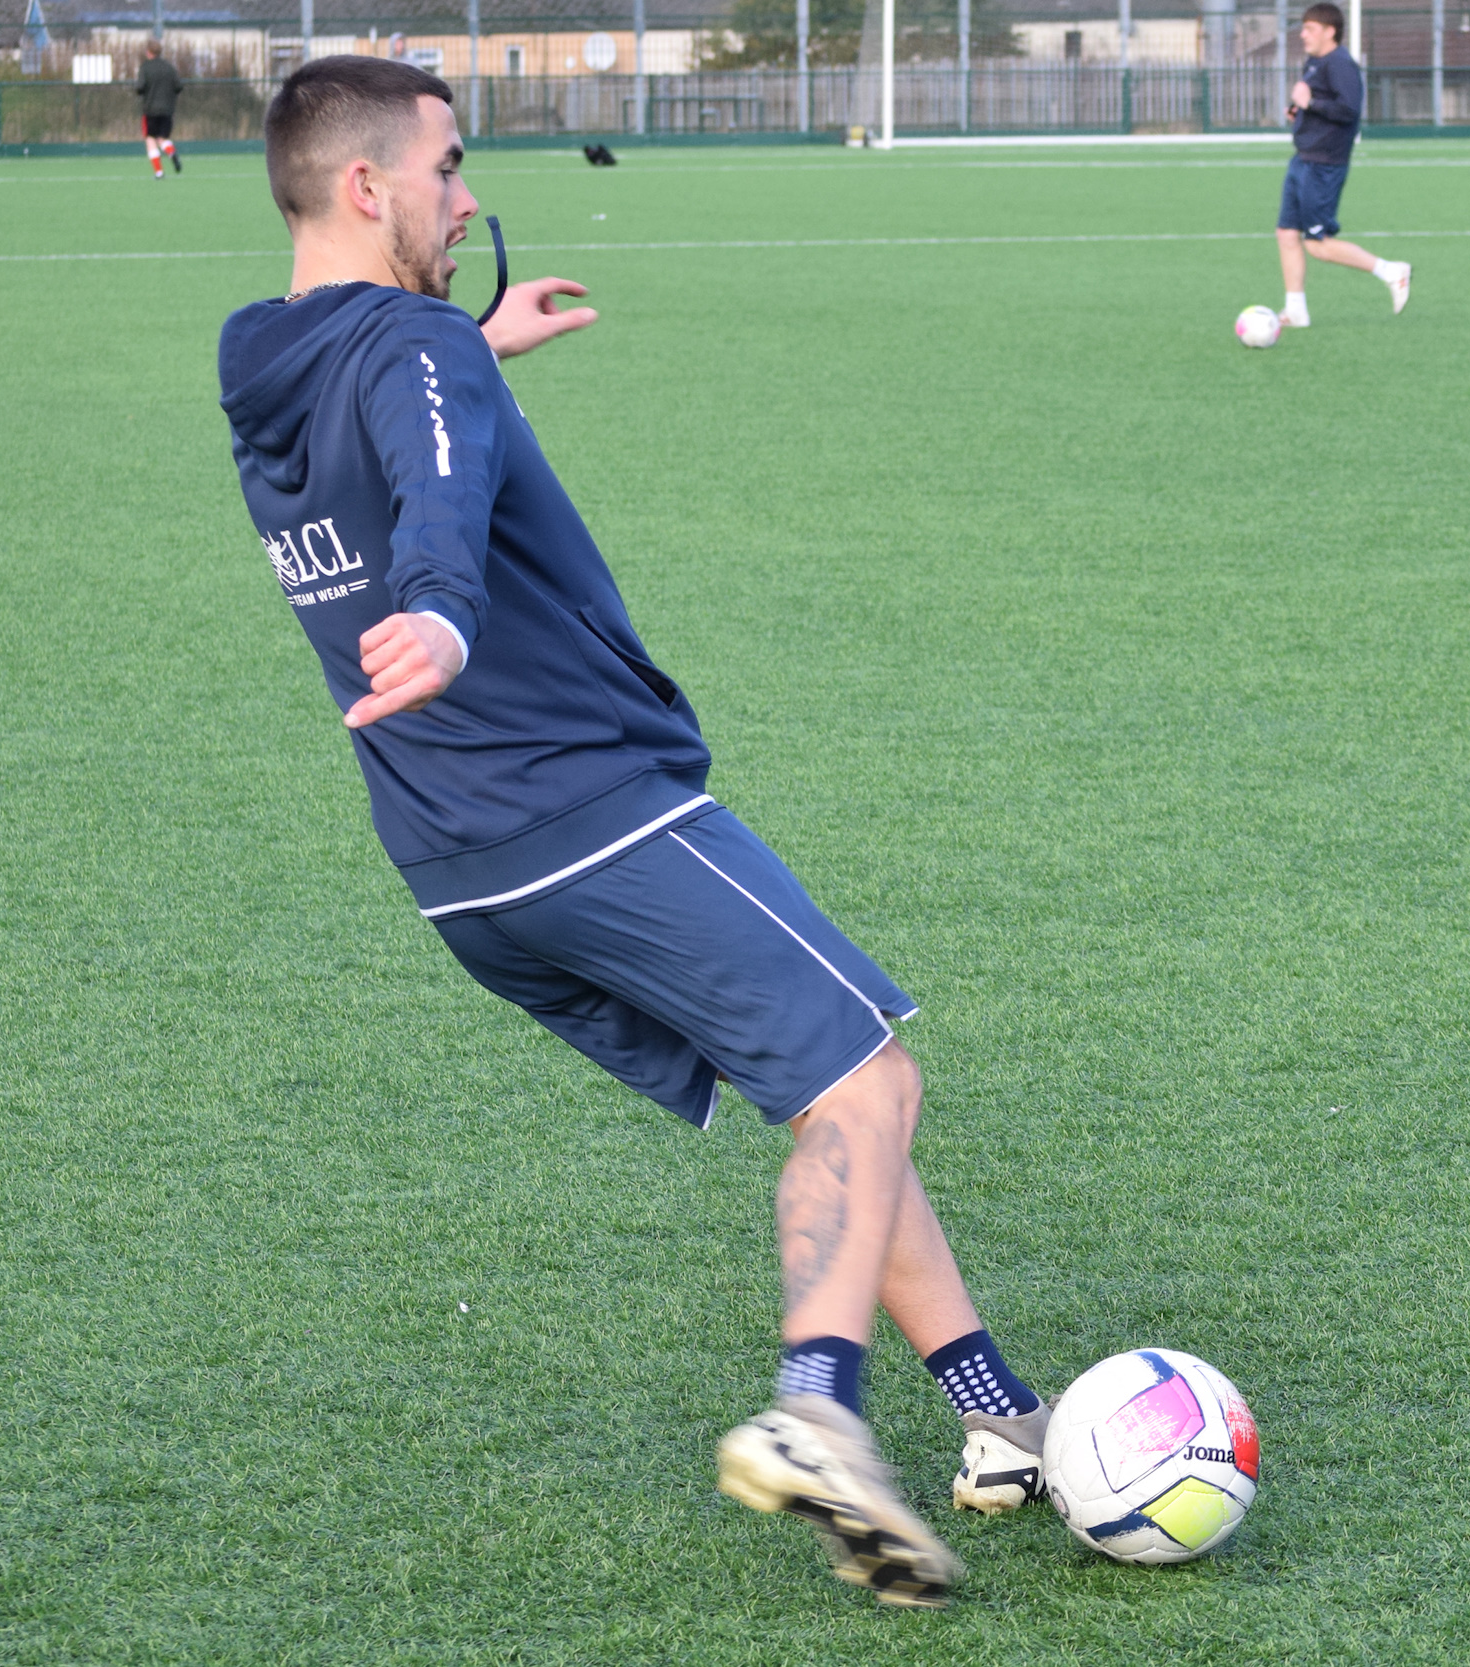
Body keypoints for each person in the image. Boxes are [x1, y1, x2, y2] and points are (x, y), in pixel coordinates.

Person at [216, 55, 1053, 1609]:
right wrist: (443, 609)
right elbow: (435, 498)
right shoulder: (418, 350)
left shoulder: (262, 354)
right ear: (367, 185)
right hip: (582, 806)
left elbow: (388, 417)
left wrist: (476, 347)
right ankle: (815, 1408)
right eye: (448, 169)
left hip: (459, 869)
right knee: (871, 1080)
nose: (467, 199)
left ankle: (1000, 1416)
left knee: (826, 1094)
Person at [1276, 2, 1409, 328]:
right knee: (1286, 233)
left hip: (1323, 165)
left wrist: (1311, 103)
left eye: (1310, 28)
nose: (1303, 34)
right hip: (1303, 159)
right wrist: (1299, 111)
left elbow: (1348, 110)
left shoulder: (1341, 64)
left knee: (1317, 245)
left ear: (1330, 31)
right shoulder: (1315, 62)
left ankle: (1391, 271)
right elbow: (1316, 104)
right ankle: (1295, 310)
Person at [135, 40, 182, 177]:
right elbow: (179, 86)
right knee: (162, 139)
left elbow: (139, 87)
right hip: (167, 110)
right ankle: (171, 152)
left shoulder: (145, 67)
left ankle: (159, 172)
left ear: (148, 52)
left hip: (150, 110)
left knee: (150, 139)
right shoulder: (169, 67)